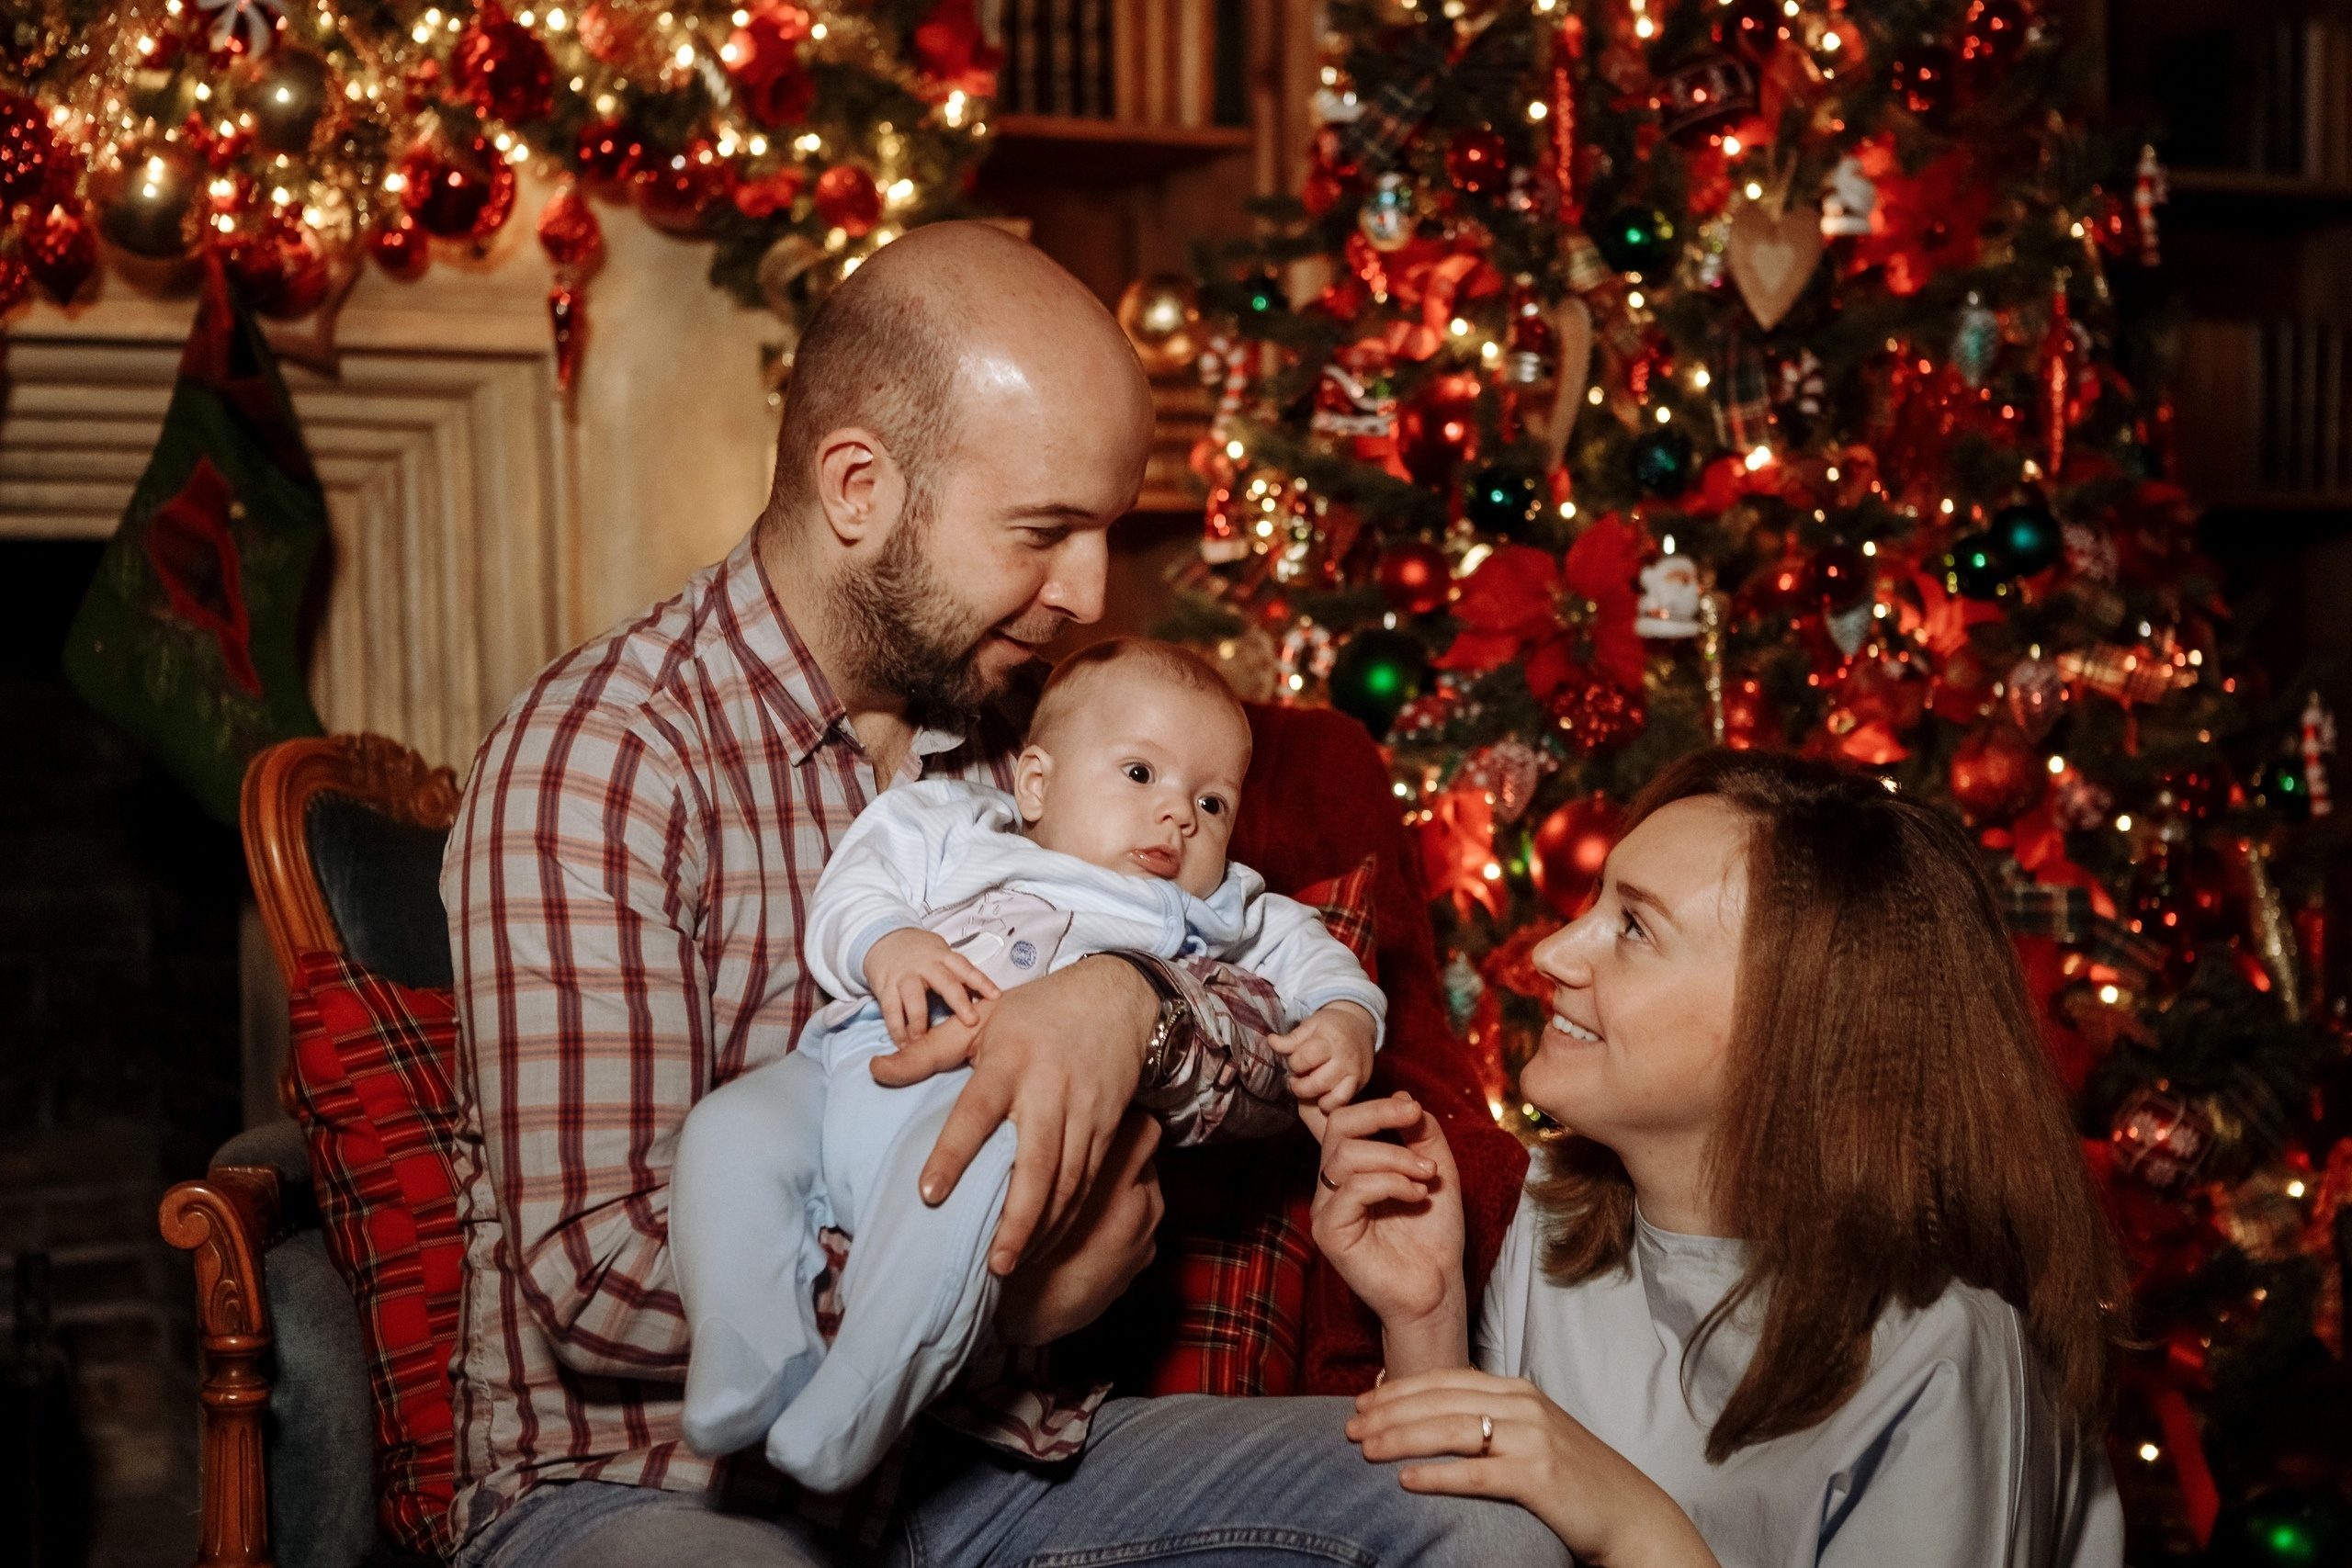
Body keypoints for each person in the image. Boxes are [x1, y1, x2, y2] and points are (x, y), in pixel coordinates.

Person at [442, 221, 1557, 1568]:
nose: (1088, 593)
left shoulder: (1027, 742)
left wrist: (1128, 1005)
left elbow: (1273, 1029)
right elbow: (593, 1267)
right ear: (859, 485)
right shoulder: (604, 757)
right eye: (1044, 531)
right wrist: (1004, 1289)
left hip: (994, 1468)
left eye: (1106, 532)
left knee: (1482, 1525)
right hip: (654, 1488)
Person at [1303, 749, 2131, 1567]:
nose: (1552, 953)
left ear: (1799, 1025)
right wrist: (1428, 1324)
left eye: (1633, 926)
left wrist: (1636, 1527)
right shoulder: (1548, 1215)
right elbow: (1469, 1547)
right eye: (1595, 902)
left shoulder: (1950, 1357)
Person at [671, 637, 1385, 1490]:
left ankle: (859, 1395)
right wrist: (885, 942)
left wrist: (1347, 1018)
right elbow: (856, 885)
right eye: (1139, 774)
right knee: (729, 1133)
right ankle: (746, 1344)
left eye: (1212, 800)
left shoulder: (1219, 909)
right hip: (841, 1071)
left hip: (981, 1116)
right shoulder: (950, 825)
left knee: (945, 1203)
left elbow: (1320, 965)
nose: (1179, 816)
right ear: (1036, 783)